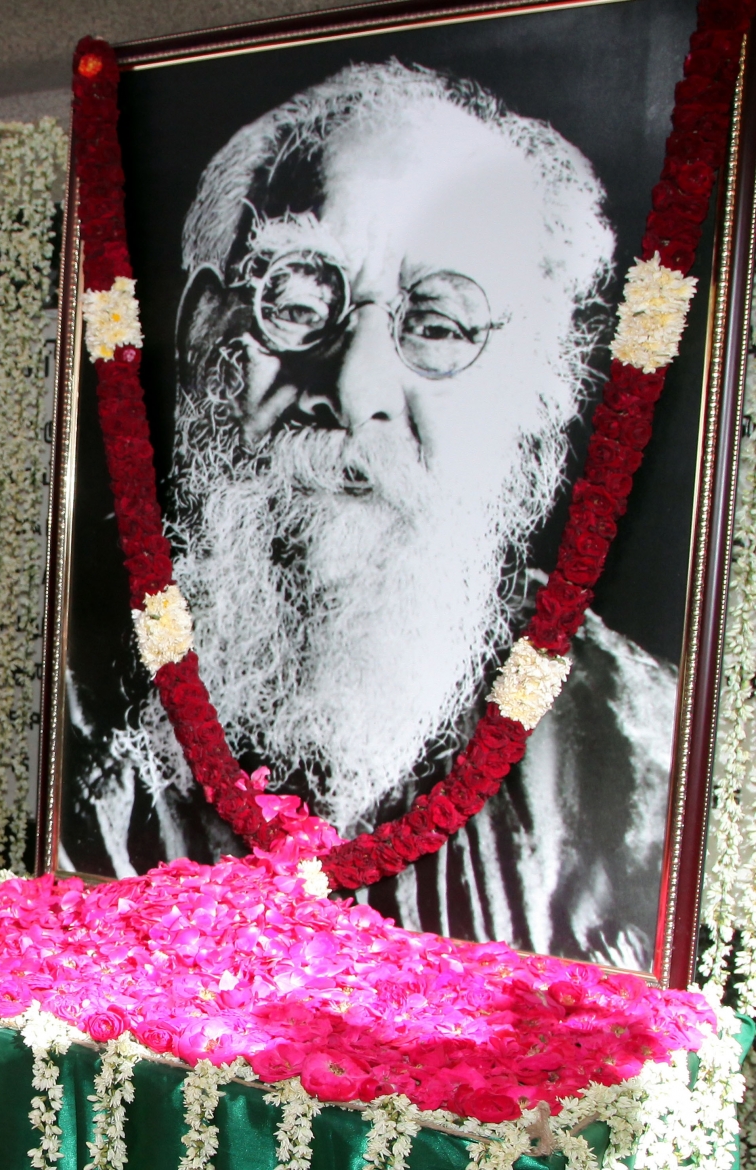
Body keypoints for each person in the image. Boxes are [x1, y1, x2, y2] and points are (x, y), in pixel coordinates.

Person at [64, 60, 675, 971]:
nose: (352, 391)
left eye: (438, 325)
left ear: (542, 392)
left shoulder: (642, 756)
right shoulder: (78, 720)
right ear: (204, 335)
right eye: (301, 302)